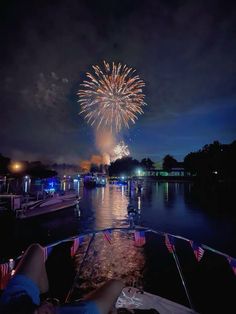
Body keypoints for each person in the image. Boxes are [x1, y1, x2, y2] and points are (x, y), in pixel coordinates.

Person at [0, 243, 125, 314]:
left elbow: (36, 250)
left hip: (18, 304)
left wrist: (35, 308)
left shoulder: (17, 303)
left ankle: (44, 295)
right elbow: (117, 284)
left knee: (36, 250)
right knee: (115, 288)